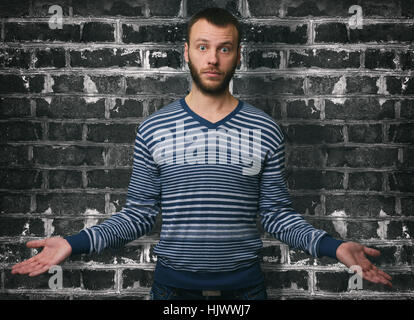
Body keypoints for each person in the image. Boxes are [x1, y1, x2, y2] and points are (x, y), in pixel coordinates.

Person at [11, 7, 392, 300]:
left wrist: (334, 246)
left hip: (245, 291)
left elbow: (276, 216)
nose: (213, 59)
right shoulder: (155, 129)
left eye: (224, 48)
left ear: (237, 55)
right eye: (203, 47)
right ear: (187, 53)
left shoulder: (264, 129)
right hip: (173, 291)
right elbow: (138, 216)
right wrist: (72, 243)